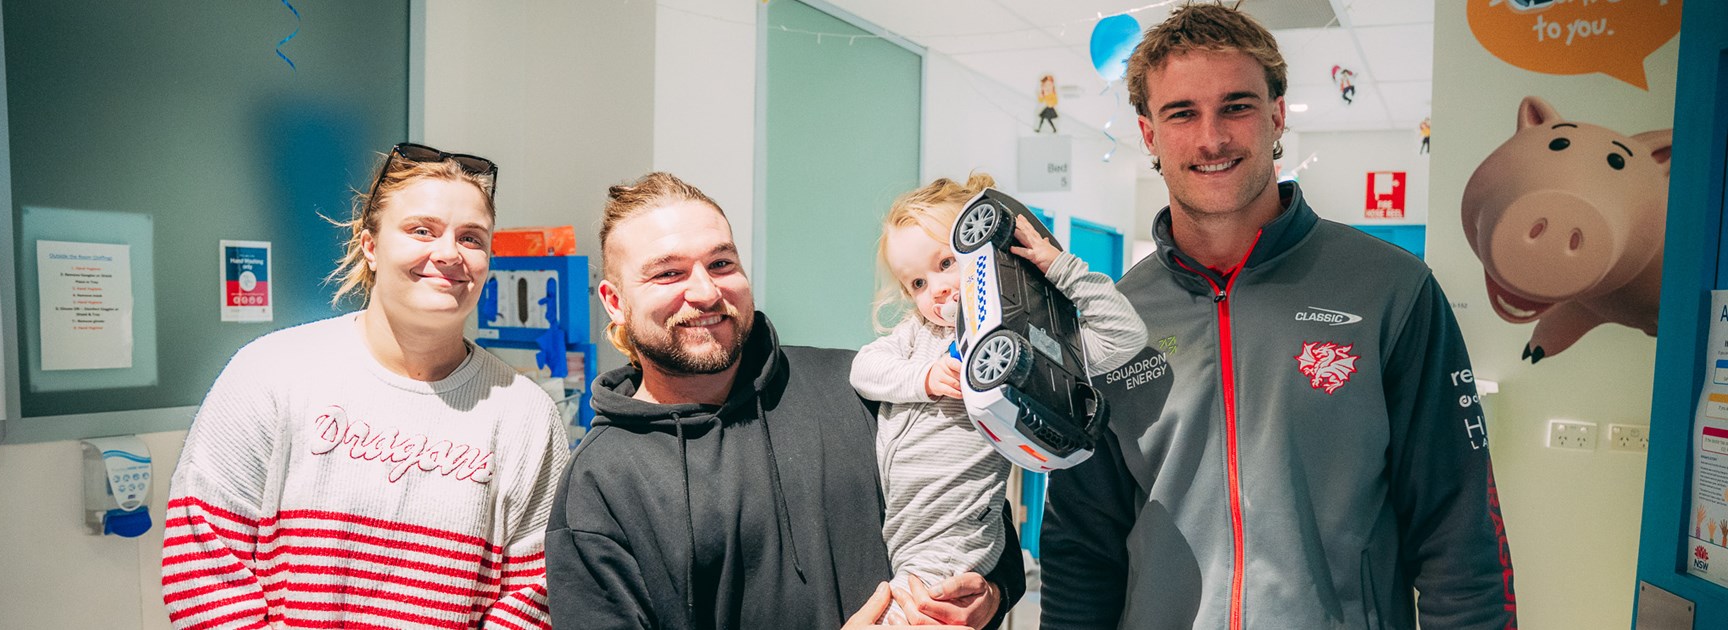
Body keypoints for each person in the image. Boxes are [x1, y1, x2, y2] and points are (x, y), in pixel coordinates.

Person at [1040, 5, 1516, 630]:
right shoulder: (1110, 320)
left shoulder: (1391, 291)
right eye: (1182, 113)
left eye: (1236, 106)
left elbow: (1459, 531)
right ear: (1149, 134)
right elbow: (1082, 546)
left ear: (1277, 115)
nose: (1211, 138)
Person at [543, 172, 1024, 629]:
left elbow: (975, 507)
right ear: (615, 301)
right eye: (668, 274)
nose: (706, 291)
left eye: (721, 264)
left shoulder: (855, 387)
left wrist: (992, 594)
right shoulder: (599, 483)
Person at [161, 143, 569, 630]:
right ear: (370, 245)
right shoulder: (269, 372)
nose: (448, 254)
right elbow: (204, 566)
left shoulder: (524, 415)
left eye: (472, 238)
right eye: (422, 230)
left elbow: (535, 595)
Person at [850, 173, 1146, 623]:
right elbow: (864, 369)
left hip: (959, 530)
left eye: (946, 263)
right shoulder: (918, 337)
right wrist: (924, 377)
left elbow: (1125, 337)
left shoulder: (1031, 339)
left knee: (914, 614)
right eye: (916, 284)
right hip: (906, 525)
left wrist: (1062, 268)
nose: (937, 290)